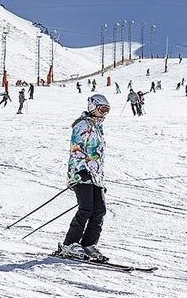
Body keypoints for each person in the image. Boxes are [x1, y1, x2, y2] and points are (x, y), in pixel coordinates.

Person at [58, 94, 110, 262]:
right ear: (92, 107)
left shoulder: (98, 127)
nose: (104, 113)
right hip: (80, 173)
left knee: (99, 210)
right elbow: (76, 148)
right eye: (102, 109)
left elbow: (98, 154)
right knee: (86, 208)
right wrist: (81, 170)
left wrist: (100, 179)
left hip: (95, 176)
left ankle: (88, 244)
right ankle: (70, 243)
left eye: (107, 110)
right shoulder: (82, 125)